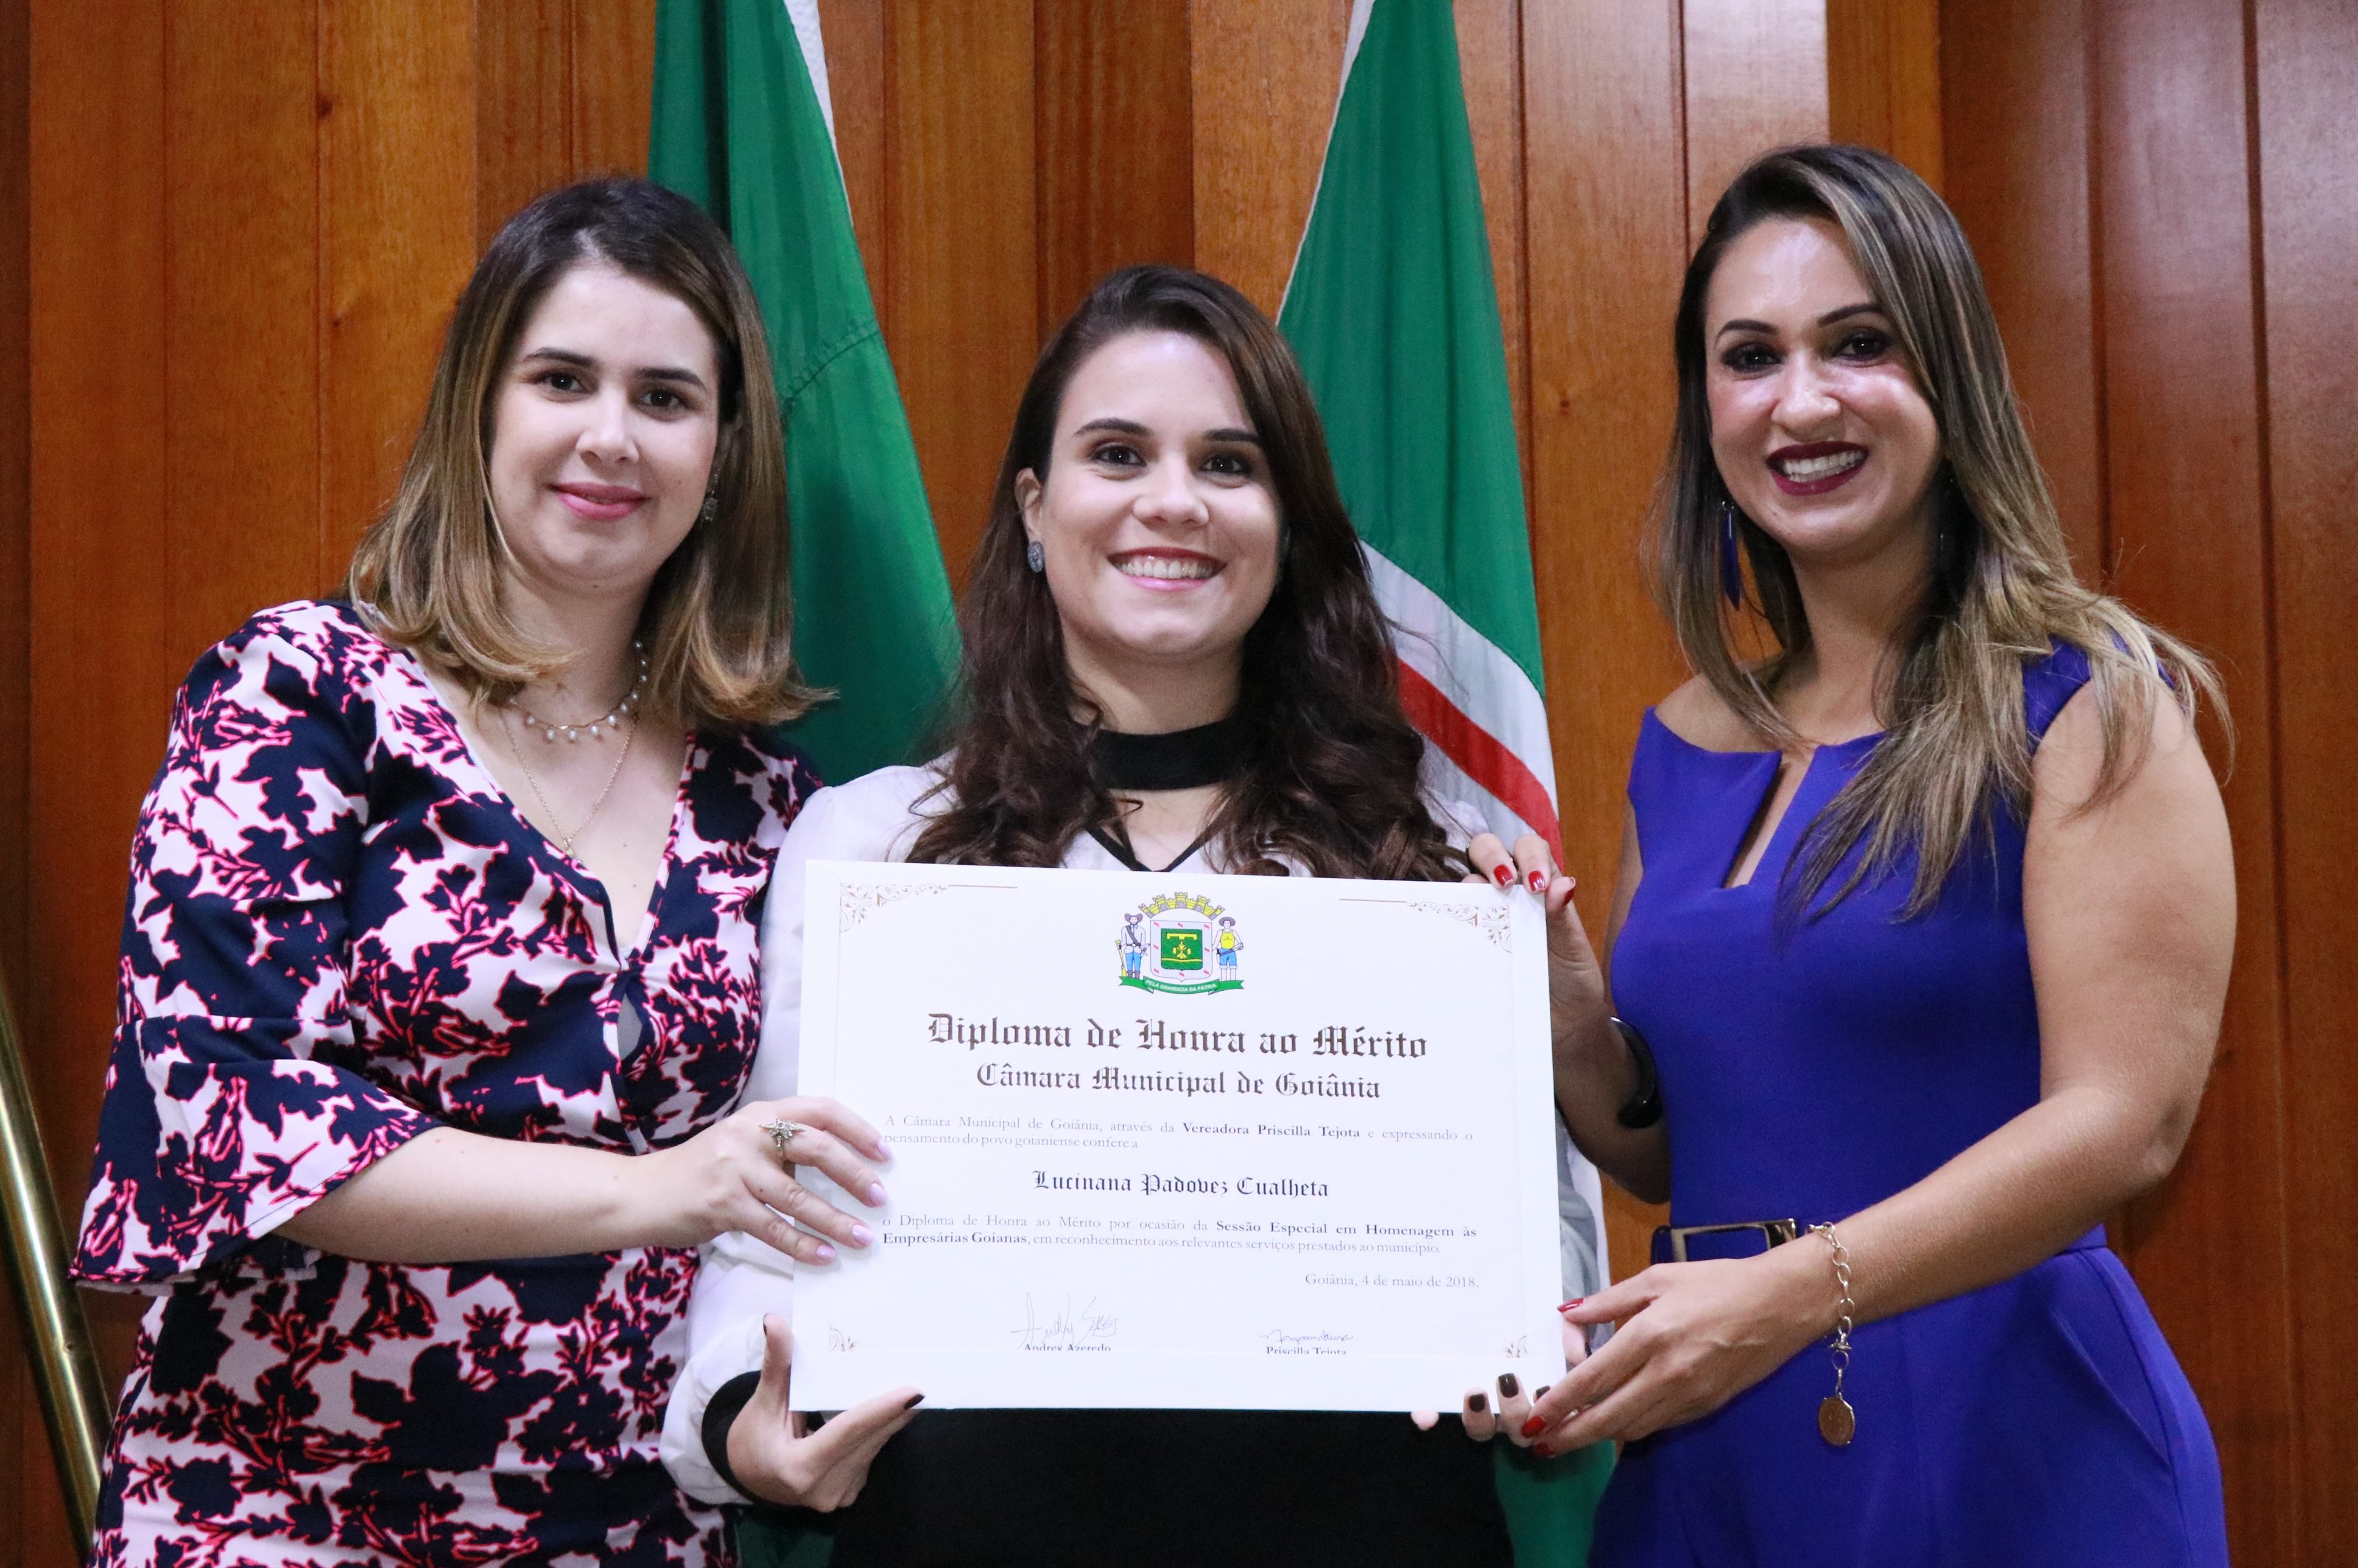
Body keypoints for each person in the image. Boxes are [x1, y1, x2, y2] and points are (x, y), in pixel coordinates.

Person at [659, 265, 1609, 1566]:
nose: (1174, 501)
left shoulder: (1426, 864)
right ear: (1035, 509)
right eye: (1118, 454)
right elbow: (769, 1215)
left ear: (1285, 523)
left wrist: (1523, 1335)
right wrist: (741, 1425)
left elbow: (1537, 1228)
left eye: (1229, 463)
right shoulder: (874, 845)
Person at [72, 179, 896, 1566]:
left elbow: (805, 1183)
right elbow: (233, 1115)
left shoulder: (771, 805)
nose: (609, 436)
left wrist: (764, 1420)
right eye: (562, 379)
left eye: (665, 398)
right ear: (480, 410)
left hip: (636, 1528)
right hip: (282, 1512)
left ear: (722, 453)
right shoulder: (300, 698)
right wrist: (663, 1190)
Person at [1501, 144, 2233, 1564]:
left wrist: (1788, 1294)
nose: (1801, 401)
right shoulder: (1684, 738)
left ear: (1949, 375)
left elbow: (2125, 1121)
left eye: (1858, 344)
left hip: (2004, 1439)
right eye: (1749, 356)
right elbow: (1665, 1152)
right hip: (1713, 1449)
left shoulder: (2087, 699)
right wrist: (1573, 1014)